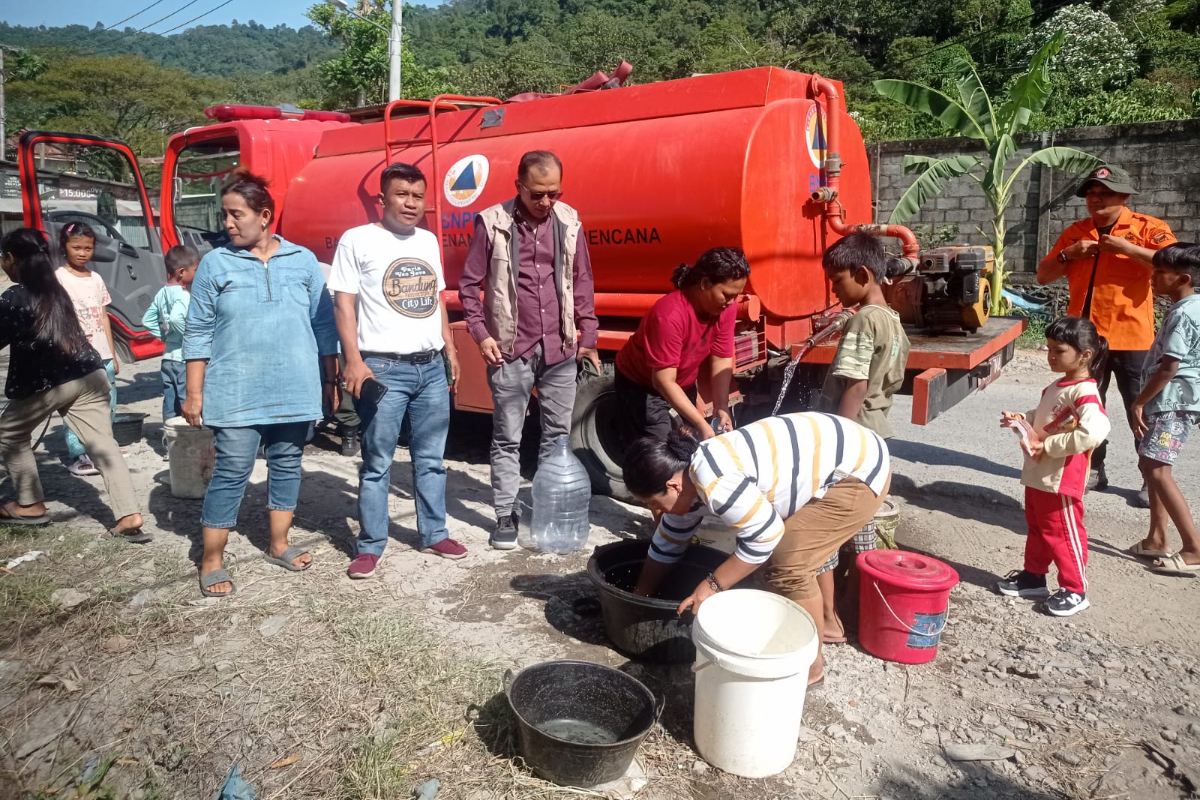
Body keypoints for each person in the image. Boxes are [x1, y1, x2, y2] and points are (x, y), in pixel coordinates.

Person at [626, 413, 891, 686]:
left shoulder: (714, 482)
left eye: (653, 503)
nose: (655, 511)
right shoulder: (687, 480)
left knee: (788, 564)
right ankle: (828, 625)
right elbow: (666, 545)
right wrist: (639, 597)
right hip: (834, 457)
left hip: (858, 470)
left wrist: (712, 585)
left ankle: (810, 670)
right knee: (796, 548)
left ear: (673, 486)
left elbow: (764, 538)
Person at [182, 172, 339, 598]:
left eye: (237, 215)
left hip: (295, 386)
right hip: (235, 390)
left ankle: (279, 544)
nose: (228, 223)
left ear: (264, 216)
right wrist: (193, 392)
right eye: (225, 215)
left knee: (287, 463)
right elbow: (197, 331)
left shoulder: (303, 260)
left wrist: (329, 379)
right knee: (232, 470)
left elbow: (324, 326)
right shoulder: (215, 263)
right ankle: (211, 559)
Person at [459, 151, 600, 551]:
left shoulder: (569, 221)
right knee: (508, 437)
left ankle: (548, 507)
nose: (546, 202)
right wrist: (481, 334)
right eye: (537, 194)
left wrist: (588, 336)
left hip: (559, 346)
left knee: (557, 436)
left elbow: (582, 280)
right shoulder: (492, 223)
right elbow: (468, 285)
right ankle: (505, 513)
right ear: (518, 186)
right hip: (510, 349)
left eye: (554, 193)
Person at [330, 162, 465, 577]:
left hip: (430, 367)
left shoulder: (427, 241)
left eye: (417, 196)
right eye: (401, 194)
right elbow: (343, 304)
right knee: (377, 462)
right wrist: (353, 360)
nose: (410, 203)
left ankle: (434, 533)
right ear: (382, 199)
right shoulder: (357, 240)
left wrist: (450, 348)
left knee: (432, 459)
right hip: (383, 368)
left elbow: (436, 299)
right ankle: (370, 545)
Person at [1037, 165, 1176, 498]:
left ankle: (1151, 476)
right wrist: (1069, 254)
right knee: (1084, 408)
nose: (1096, 199)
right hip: (1085, 342)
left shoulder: (1148, 228)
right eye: (1091, 193)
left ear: (1124, 196)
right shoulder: (1076, 232)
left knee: (1141, 409)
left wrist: (1126, 248)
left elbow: (1173, 263)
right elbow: (1043, 275)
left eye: (1105, 193)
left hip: (1133, 338)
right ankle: (1092, 468)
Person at [0, 228, 147, 541]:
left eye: (3, 257)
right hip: (91, 374)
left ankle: (30, 504)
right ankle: (129, 514)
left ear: (11, 258)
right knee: (103, 444)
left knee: (9, 432)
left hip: (53, 382)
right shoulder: (59, 291)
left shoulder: (15, 297)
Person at [814, 232, 911, 644]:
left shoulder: (863, 320)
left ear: (862, 274)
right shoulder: (893, 321)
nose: (834, 291)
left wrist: (838, 440)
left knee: (824, 527)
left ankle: (828, 617)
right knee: (862, 528)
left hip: (852, 438)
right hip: (876, 436)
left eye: (837, 281)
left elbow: (855, 383)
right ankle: (860, 608)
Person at [997, 317, 1110, 617]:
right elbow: (1044, 415)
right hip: (1041, 473)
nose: (1050, 356)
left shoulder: (1085, 392)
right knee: (1038, 527)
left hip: (1061, 477)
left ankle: (1075, 589)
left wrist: (1048, 446)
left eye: (1058, 351)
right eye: (1049, 349)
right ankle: (1033, 577)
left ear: (1085, 355)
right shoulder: (1058, 385)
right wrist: (1023, 419)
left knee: (1063, 532)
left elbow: (1094, 432)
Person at [614, 247, 747, 441]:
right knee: (660, 450)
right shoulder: (669, 315)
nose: (731, 302)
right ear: (704, 283)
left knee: (689, 440)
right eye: (726, 295)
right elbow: (663, 381)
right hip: (642, 385)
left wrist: (721, 406)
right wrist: (701, 423)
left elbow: (721, 357)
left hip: (681, 382)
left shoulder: (726, 307)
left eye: (736, 295)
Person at [1128, 243, 1200, 575]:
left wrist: (1139, 401)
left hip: (1172, 402)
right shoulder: (1189, 307)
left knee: (1158, 469)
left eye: (1159, 273)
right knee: (1149, 463)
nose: (1152, 277)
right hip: (1173, 400)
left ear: (1183, 278)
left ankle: (1194, 549)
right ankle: (1156, 538)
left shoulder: (1184, 313)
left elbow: (1170, 366)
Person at [55, 222, 119, 478]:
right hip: (76, 355)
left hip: (102, 353)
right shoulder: (59, 278)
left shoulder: (96, 279)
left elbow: (103, 317)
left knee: (108, 401)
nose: (82, 253)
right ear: (64, 247)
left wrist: (112, 354)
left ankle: (102, 448)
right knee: (76, 406)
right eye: (77, 247)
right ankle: (78, 454)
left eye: (88, 248)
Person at [143, 245, 199, 432]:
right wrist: (188, 337)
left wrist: (164, 336)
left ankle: (169, 438)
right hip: (184, 358)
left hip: (167, 358)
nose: (197, 273)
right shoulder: (183, 296)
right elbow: (176, 318)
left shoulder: (162, 292)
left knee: (170, 401)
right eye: (195, 269)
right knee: (186, 399)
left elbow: (147, 320)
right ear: (182, 272)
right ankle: (189, 436)